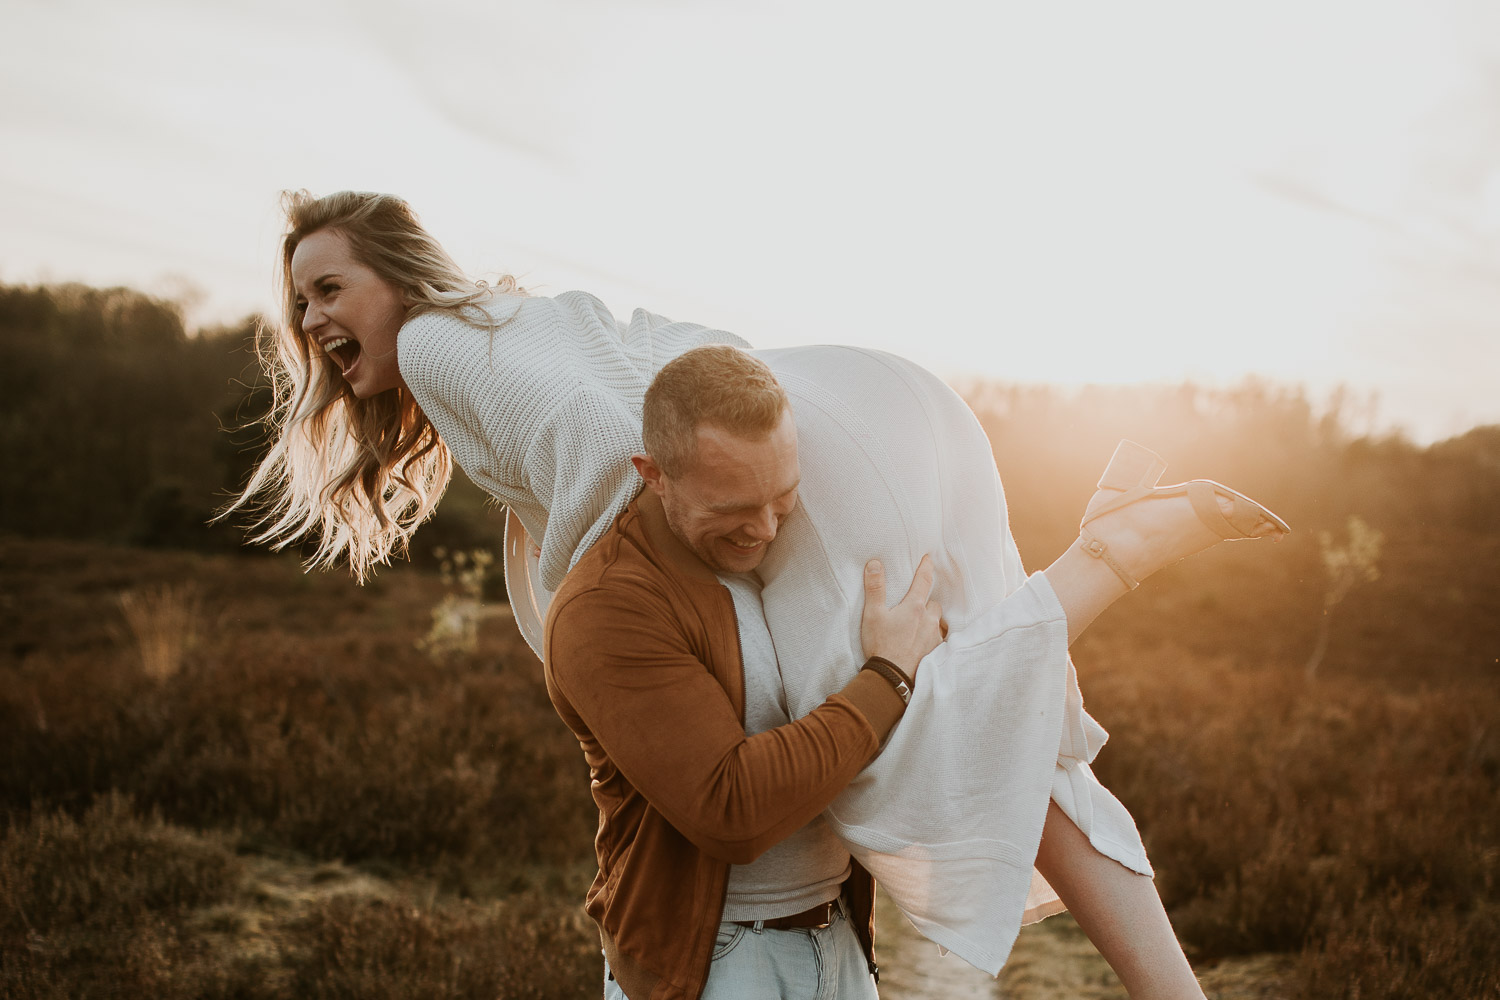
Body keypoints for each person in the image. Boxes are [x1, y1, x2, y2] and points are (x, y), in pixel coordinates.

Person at [227, 190, 1289, 998]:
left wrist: (624, 594)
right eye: (301, 299)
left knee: (931, 716)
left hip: (777, 450)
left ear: (396, 274)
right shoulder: (506, 318)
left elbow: (602, 438)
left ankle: (1105, 559)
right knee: (983, 714)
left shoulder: (430, 342)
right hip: (843, 408)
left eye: (331, 288)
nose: (312, 318)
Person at [544, 345, 946, 998]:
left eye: (781, 497)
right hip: (715, 962)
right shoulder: (607, 606)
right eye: (732, 506)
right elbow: (732, 808)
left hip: (839, 939)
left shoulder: (792, 552)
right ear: (654, 475)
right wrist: (889, 677)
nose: (763, 528)